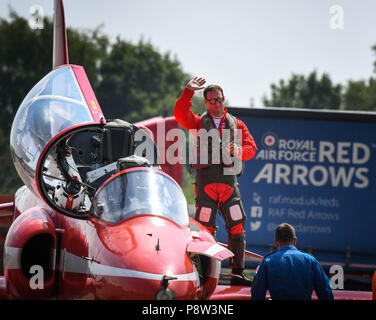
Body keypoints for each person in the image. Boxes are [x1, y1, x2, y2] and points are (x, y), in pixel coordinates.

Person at [174, 77, 257, 286]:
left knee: (237, 226)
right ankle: (204, 274)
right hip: (206, 183)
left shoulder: (237, 123)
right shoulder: (198, 122)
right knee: (204, 230)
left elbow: (251, 148)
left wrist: (238, 150)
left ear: (223, 99)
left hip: (229, 184)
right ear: (206, 103)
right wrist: (187, 92)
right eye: (210, 100)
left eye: (218, 99)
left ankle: (237, 273)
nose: (215, 103)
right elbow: (180, 114)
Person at [251, 223, 334, 300]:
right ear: (295, 241)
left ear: (276, 242)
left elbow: (257, 293)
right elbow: (326, 292)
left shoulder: (267, 262)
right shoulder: (311, 261)